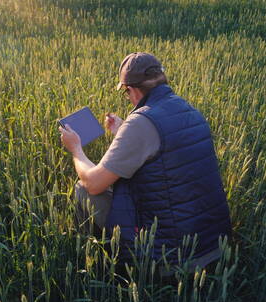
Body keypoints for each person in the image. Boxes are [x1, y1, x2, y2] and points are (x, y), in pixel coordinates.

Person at [59, 52, 232, 273]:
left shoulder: (141, 123)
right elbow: (166, 156)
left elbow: (93, 183)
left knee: (83, 190)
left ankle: (101, 266)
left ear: (131, 89)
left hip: (170, 255)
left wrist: (76, 149)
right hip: (215, 242)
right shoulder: (190, 110)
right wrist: (123, 130)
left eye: (126, 94)